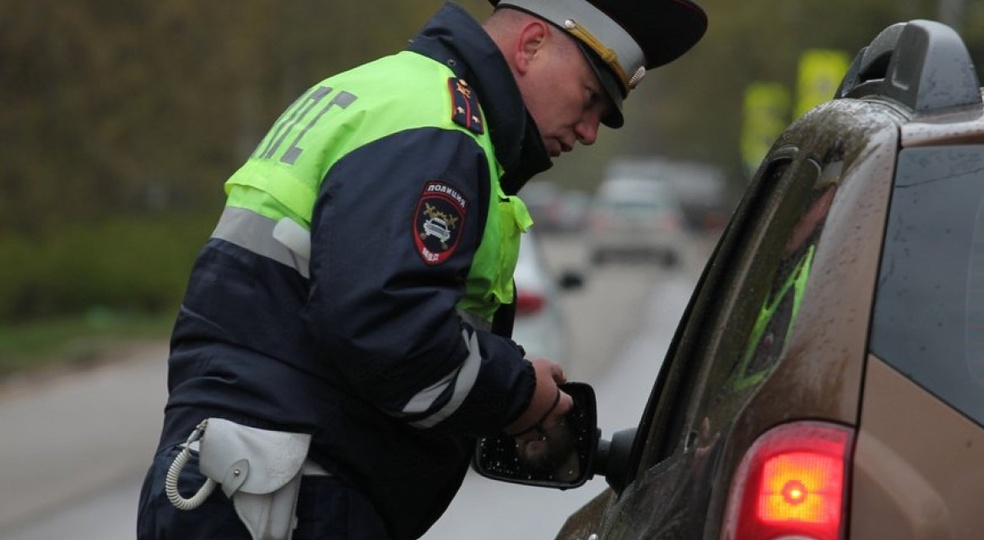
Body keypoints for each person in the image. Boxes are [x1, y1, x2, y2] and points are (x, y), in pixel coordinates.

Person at [136, 0, 707, 538]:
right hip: (292, 498)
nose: (587, 131)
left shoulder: (378, 90)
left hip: (237, 480)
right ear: (531, 45)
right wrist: (518, 394)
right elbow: (388, 330)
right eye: (589, 99)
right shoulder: (438, 128)